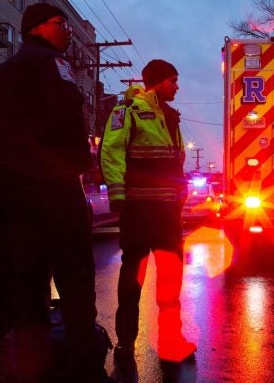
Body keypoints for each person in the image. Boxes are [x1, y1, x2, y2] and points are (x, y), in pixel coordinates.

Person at [0, 2, 110, 382]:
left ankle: (31, 368)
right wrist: (81, 160)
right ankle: (83, 366)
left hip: (14, 187)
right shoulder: (53, 64)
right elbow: (66, 115)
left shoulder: (5, 71)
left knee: (28, 278)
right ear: (38, 27)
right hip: (52, 183)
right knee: (75, 274)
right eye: (62, 24)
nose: (67, 31)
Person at [100, 59, 195, 378]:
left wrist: (180, 195)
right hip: (139, 213)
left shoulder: (171, 116)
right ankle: (126, 341)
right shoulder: (128, 111)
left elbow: (174, 162)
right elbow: (111, 151)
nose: (177, 87)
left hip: (167, 215)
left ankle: (171, 338)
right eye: (173, 81)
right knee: (132, 278)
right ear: (157, 82)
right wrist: (117, 195)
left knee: (170, 279)